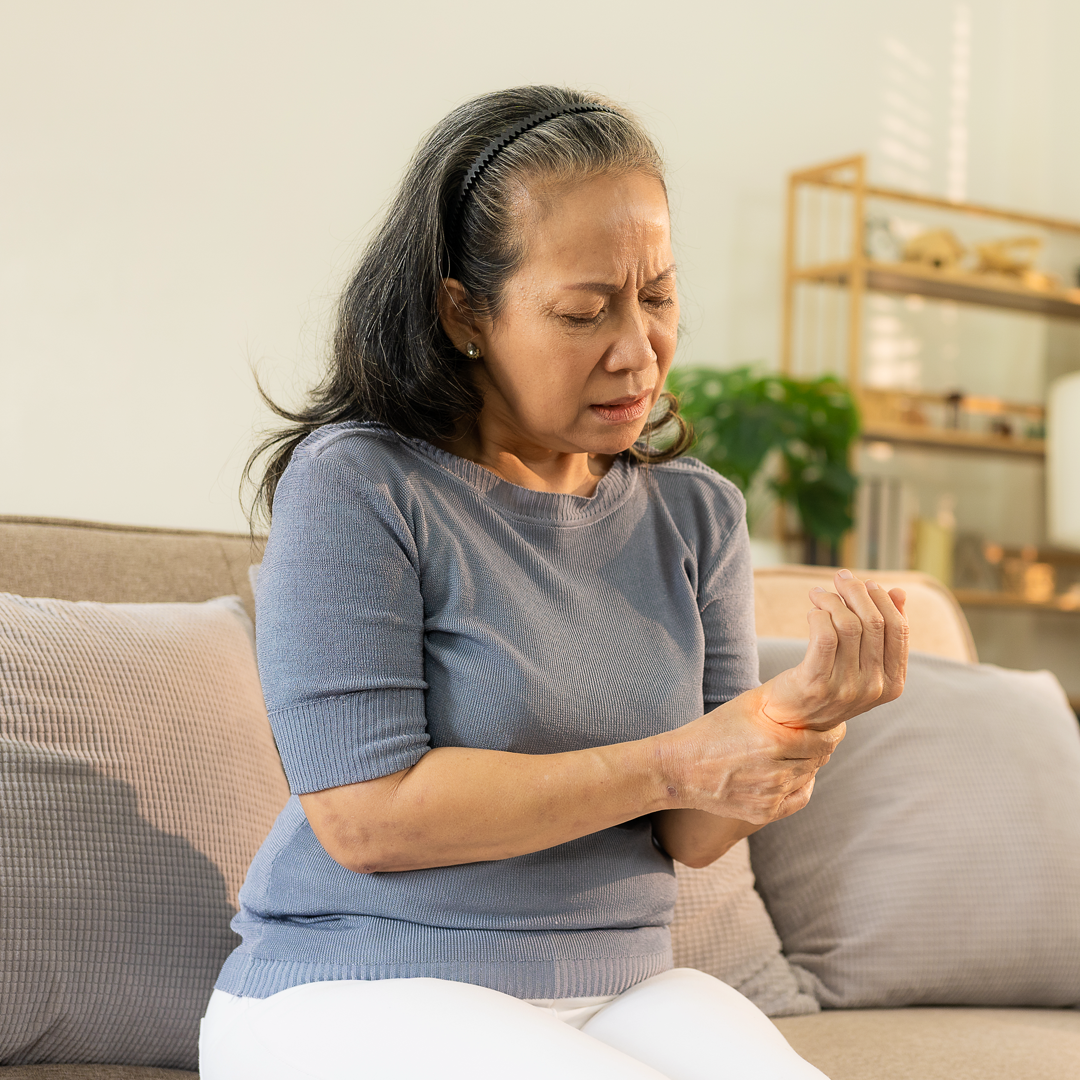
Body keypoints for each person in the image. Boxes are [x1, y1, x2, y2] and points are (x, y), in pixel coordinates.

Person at [199, 86, 908, 1080]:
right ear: (464, 312)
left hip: (620, 987)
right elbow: (365, 819)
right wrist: (676, 760)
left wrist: (801, 716)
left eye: (658, 296)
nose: (639, 350)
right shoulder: (360, 483)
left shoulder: (697, 513)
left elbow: (692, 833)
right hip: (354, 990)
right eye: (585, 312)